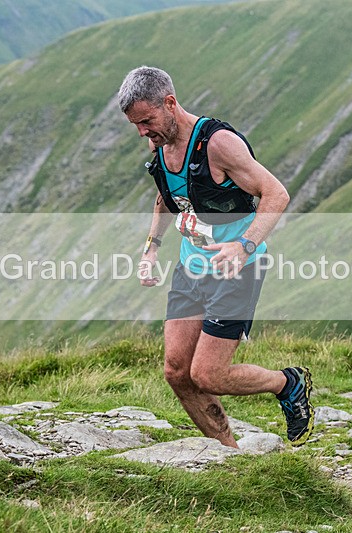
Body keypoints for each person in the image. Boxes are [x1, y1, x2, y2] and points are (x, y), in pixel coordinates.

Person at [118, 66, 314, 447]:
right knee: (177, 372)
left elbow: (276, 194)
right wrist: (151, 248)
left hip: (236, 268)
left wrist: (244, 246)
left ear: (170, 103)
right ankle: (229, 453)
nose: (143, 132)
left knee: (208, 374)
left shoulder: (218, 144)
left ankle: (287, 383)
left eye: (146, 121)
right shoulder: (158, 143)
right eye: (136, 125)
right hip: (192, 266)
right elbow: (166, 196)